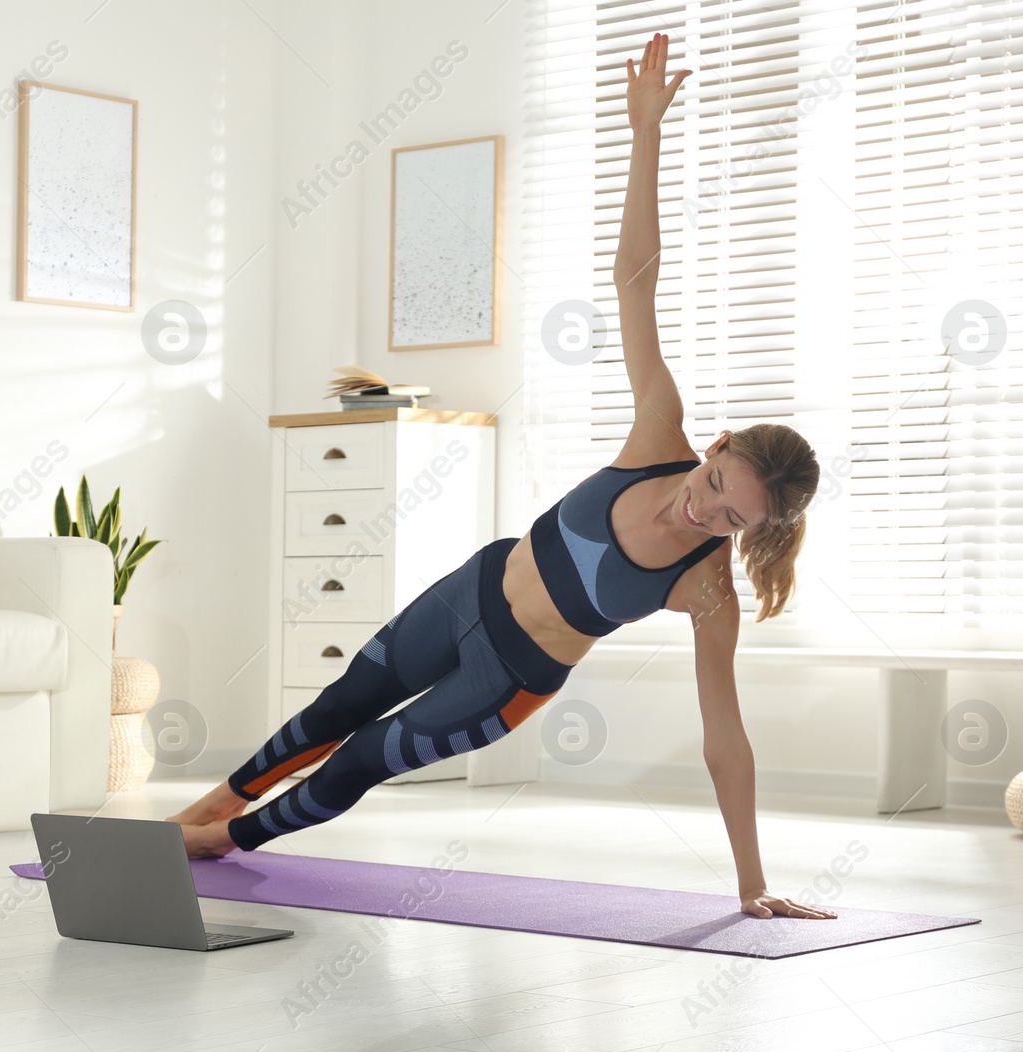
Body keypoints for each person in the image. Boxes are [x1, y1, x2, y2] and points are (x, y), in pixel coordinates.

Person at [168, 33, 834, 921]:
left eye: (730, 520)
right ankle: (208, 806)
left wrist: (750, 882)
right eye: (716, 483)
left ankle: (230, 840)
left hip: (512, 674)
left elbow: (727, 739)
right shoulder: (657, 430)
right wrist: (644, 134)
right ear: (712, 447)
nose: (703, 509)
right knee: (341, 702)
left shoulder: (709, 589)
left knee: (366, 752)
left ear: (749, 534)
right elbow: (636, 281)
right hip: (475, 587)